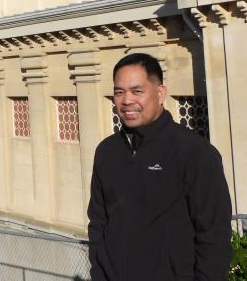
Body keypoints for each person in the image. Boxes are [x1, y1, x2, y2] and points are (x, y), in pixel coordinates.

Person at [87, 53, 232, 281]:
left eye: (137, 91)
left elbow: (214, 236)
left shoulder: (194, 152)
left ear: (160, 93)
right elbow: (98, 222)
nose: (126, 101)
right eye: (119, 92)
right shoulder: (106, 152)